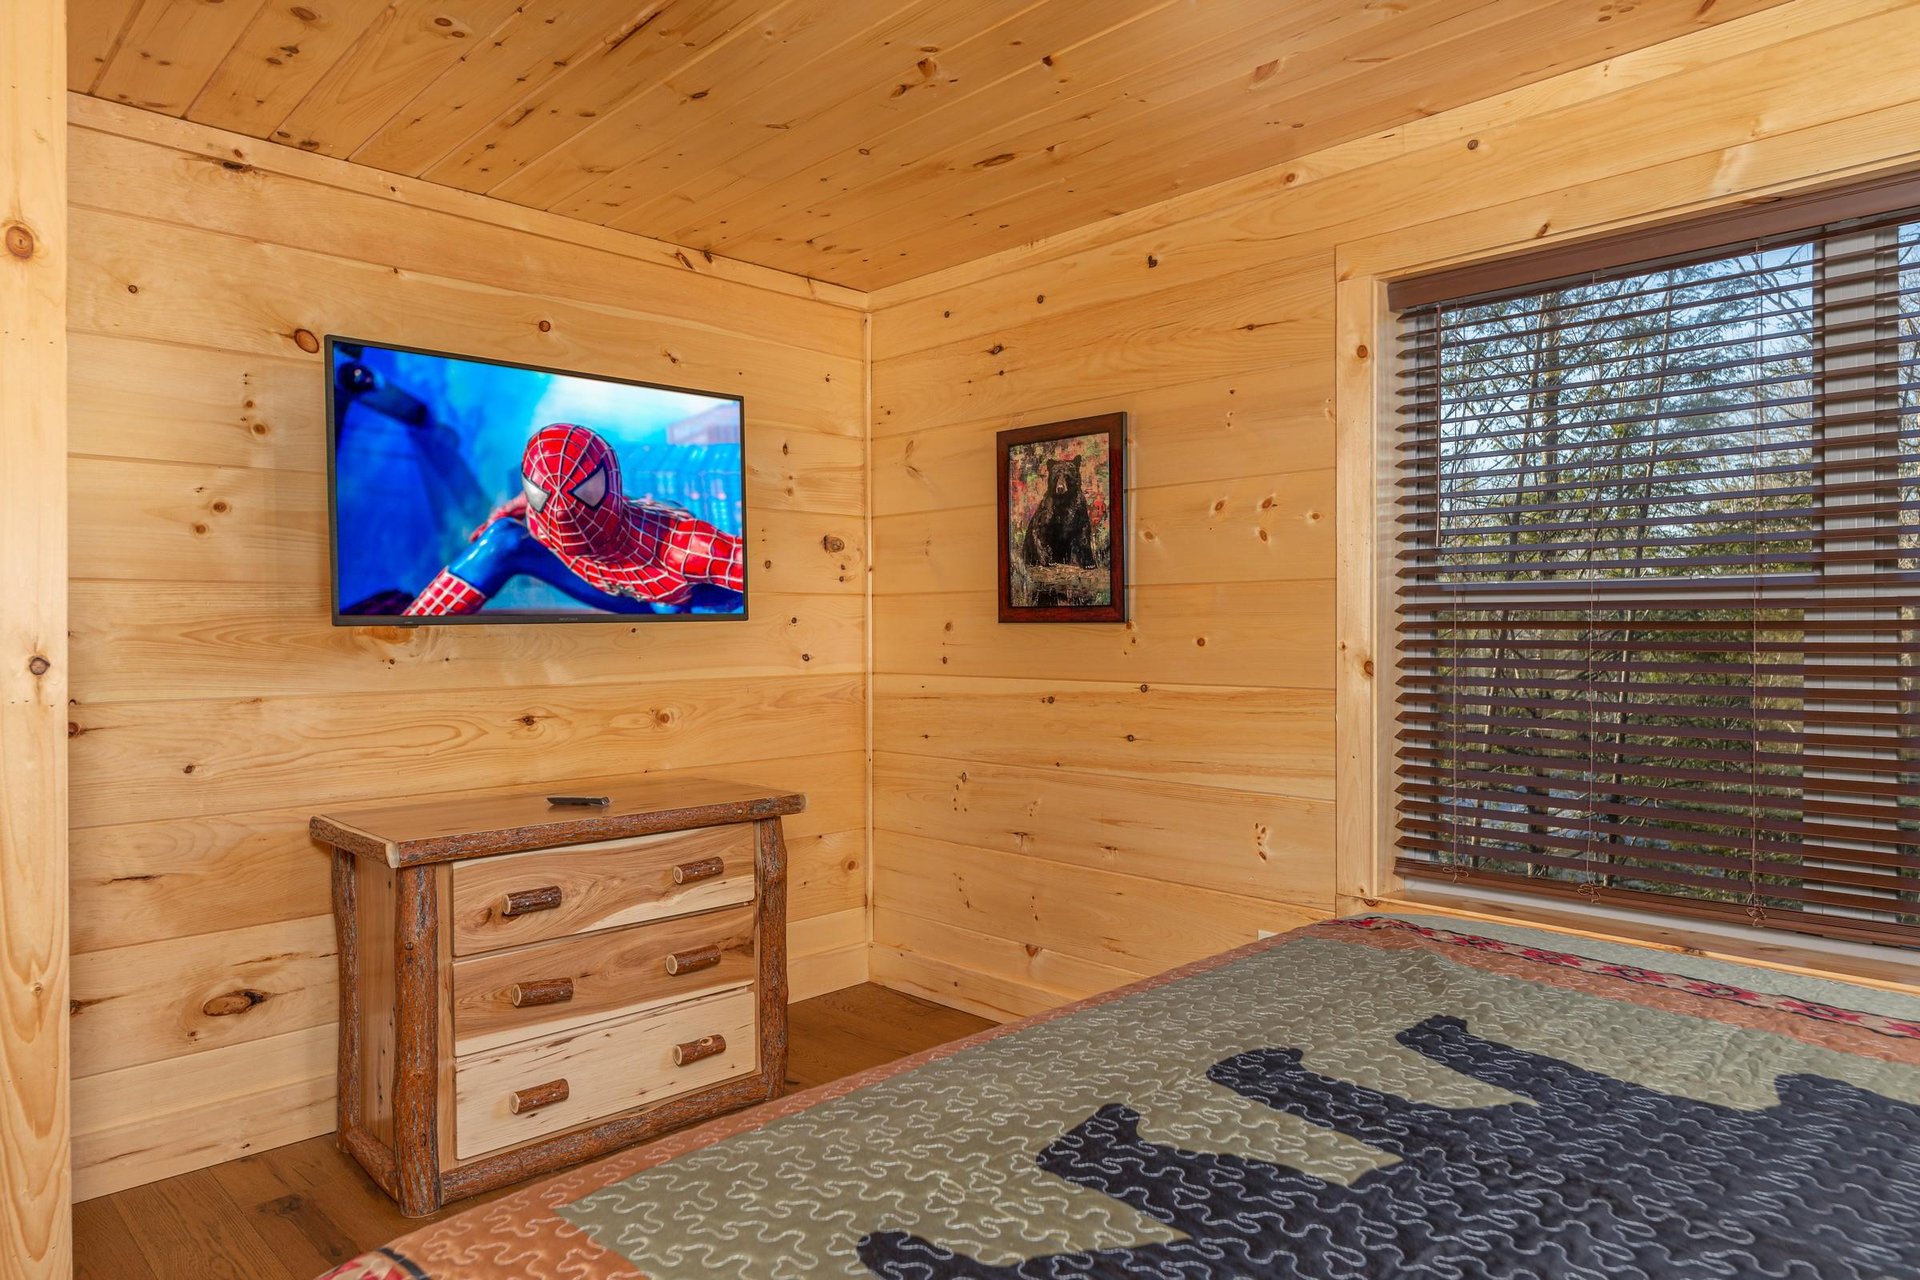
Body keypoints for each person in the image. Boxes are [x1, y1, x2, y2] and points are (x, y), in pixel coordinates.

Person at [404, 422, 745, 615]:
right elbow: (542, 492)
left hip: (659, 602)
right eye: (545, 497)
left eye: (581, 495)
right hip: (602, 580)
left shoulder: (684, 547)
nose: (562, 513)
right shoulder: (544, 505)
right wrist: (506, 512)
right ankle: (408, 633)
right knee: (502, 539)